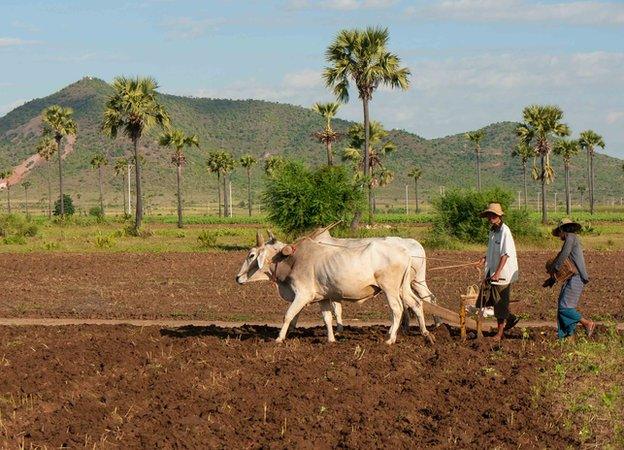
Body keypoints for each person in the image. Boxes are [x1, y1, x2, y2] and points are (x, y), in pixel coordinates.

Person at [544, 218, 595, 339]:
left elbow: (563, 255)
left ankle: (587, 323)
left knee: (564, 308)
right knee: (563, 307)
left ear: (562, 230)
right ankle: (567, 336)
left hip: (577, 277)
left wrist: (554, 269)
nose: (559, 236)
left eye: (559, 233)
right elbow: (565, 263)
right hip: (572, 277)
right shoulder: (571, 239)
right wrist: (552, 279)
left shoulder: (570, 238)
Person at [478, 203, 519, 341]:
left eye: (493, 215)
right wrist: (484, 259)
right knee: (493, 300)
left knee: (500, 303)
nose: (491, 218)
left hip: (502, 274)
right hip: (492, 270)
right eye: (489, 215)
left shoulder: (504, 231)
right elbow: (492, 251)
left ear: (499, 216)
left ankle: (499, 334)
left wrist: (497, 272)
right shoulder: (493, 231)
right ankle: (511, 318)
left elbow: (505, 254)